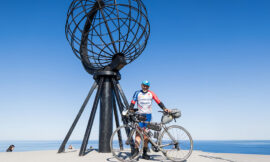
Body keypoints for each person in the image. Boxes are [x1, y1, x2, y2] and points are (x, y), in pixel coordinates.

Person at [129, 80, 170, 160]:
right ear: (141, 85)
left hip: (148, 116)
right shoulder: (137, 93)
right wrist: (130, 110)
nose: (145, 87)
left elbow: (158, 101)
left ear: (149, 87)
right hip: (140, 115)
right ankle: (136, 152)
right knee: (138, 134)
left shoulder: (151, 93)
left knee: (146, 135)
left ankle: (144, 153)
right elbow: (132, 102)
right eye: (144, 85)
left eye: (147, 86)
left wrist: (164, 108)